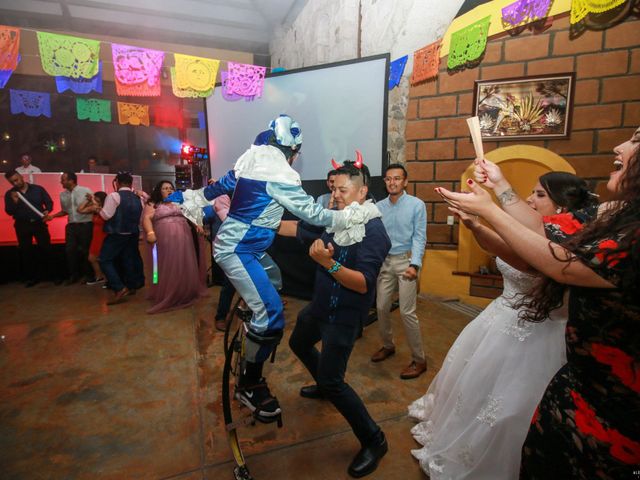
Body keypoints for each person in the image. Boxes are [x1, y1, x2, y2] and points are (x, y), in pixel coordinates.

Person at [435, 126, 640, 479]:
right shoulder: (617, 213)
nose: (621, 145)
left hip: (619, 411)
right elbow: (543, 229)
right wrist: (499, 186)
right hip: (578, 384)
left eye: (637, 140)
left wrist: (491, 211)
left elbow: (563, 265)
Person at [168, 114, 368, 420]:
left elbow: (217, 188)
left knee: (273, 280)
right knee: (272, 315)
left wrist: (190, 196)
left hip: (249, 248)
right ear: (293, 152)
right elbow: (314, 215)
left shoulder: (250, 162)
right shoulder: (280, 174)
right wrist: (349, 216)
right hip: (239, 250)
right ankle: (249, 383)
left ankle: (254, 324)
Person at [409, 170, 598, 479]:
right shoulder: (527, 231)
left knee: (508, 413)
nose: (528, 199)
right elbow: (502, 248)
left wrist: (487, 211)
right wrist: (473, 224)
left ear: (562, 208)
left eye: (539, 195)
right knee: (472, 391)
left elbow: (524, 259)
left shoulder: (565, 245)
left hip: (538, 335)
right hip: (499, 319)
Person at [280, 160, 391, 478]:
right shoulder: (335, 219)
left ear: (363, 191)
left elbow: (363, 283)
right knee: (299, 342)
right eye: (334, 189)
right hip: (319, 307)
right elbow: (296, 229)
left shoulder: (374, 231)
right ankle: (325, 386)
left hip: (343, 316)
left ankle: (374, 439)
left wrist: (327, 264)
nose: (336, 195)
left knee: (333, 379)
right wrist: (256, 220)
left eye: (343, 190)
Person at [371, 163, 427, 379]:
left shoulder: (416, 205)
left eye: (397, 178)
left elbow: (419, 237)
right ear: (385, 182)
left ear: (405, 181)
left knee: (406, 311)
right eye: (388, 179)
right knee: (382, 307)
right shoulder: (379, 207)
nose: (392, 182)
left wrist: (415, 264)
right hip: (384, 262)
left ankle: (419, 360)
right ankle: (388, 345)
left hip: (406, 262)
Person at [142, 180, 207, 314]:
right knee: (168, 264)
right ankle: (169, 293)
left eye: (171, 188)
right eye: (165, 188)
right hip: (165, 238)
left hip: (184, 237)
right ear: (159, 191)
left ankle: (184, 292)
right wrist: (150, 232)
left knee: (184, 263)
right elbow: (147, 218)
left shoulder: (179, 202)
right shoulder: (153, 203)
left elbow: (188, 215)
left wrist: (197, 225)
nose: (169, 190)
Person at [98, 172, 145, 305]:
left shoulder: (114, 196)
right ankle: (132, 285)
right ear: (131, 184)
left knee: (104, 259)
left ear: (117, 182)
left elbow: (106, 216)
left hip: (117, 233)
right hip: (133, 233)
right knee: (128, 259)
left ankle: (119, 287)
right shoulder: (138, 198)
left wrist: (98, 209)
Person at [3, 169, 54, 286]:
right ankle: (31, 278)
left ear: (21, 176)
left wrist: (47, 210)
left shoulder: (38, 189)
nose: (15, 183)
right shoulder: (9, 194)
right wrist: (15, 201)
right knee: (26, 252)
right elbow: (9, 211)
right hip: (22, 225)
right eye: (12, 182)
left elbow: (49, 202)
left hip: (39, 223)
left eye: (16, 180)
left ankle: (53, 276)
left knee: (46, 248)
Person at [46, 172, 94, 284]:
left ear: (71, 181)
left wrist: (86, 209)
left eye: (63, 180)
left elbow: (95, 205)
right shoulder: (63, 195)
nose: (61, 182)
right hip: (71, 226)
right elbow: (65, 211)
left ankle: (89, 275)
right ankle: (74, 276)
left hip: (86, 224)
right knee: (70, 251)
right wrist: (52, 216)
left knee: (86, 251)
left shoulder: (85, 190)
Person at [77, 191, 107, 285]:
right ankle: (100, 276)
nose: (95, 201)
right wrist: (88, 200)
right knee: (92, 258)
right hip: (96, 235)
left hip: (104, 235)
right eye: (95, 199)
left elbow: (101, 211)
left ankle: (105, 277)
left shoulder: (105, 209)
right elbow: (80, 210)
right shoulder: (95, 208)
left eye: (97, 200)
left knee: (101, 258)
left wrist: (94, 202)